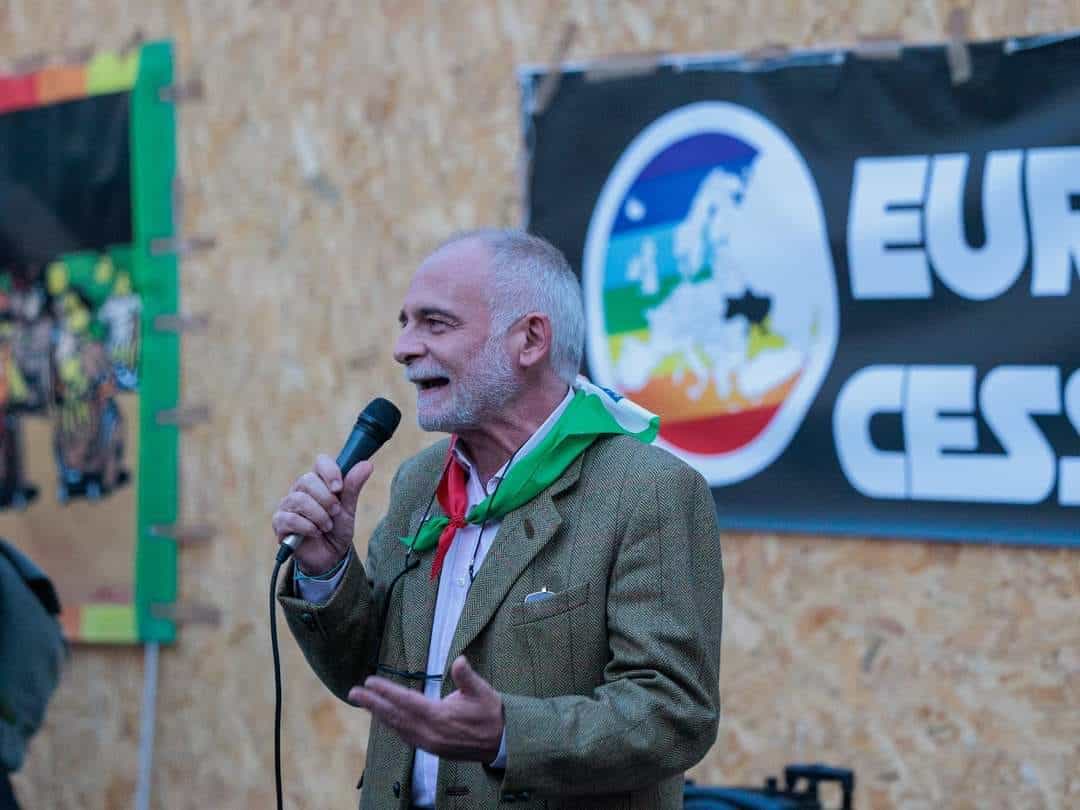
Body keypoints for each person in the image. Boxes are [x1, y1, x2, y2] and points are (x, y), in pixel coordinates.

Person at [274, 229, 723, 809]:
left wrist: (509, 734)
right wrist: (327, 568)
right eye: (404, 323)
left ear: (530, 339)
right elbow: (370, 678)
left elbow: (674, 712)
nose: (404, 348)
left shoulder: (647, 490)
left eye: (435, 324)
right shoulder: (419, 482)